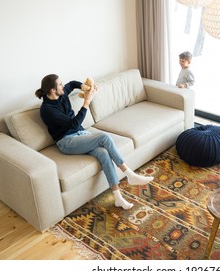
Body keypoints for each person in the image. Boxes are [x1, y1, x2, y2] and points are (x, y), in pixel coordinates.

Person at [35, 74, 153, 210]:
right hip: (67, 141)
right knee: (104, 137)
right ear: (52, 90)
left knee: (103, 153)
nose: (63, 86)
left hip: (81, 135)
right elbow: (74, 124)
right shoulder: (47, 110)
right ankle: (129, 174)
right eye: (60, 84)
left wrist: (84, 87)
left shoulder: (61, 94)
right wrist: (86, 102)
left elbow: (72, 83)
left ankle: (118, 197)